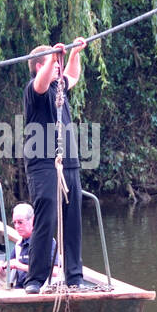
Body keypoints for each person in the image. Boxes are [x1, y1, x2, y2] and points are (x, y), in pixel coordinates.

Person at [22, 36, 93, 293]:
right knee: (47, 217)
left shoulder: (58, 86)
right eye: (54, 65)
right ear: (41, 66)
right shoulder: (35, 89)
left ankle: (74, 277)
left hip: (69, 163)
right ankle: (35, 280)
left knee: (73, 219)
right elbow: (41, 83)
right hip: (43, 165)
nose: (59, 69)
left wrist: (74, 54)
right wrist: (54, 56)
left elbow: (73, 77)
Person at [0, 203, 61, 287]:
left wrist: (19, 266)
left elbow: (56, 272)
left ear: (33, 220)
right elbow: (6, 273)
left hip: (39, 291)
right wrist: (0, 267)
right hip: (20, 290)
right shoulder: (19, 244)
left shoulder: (47, 242)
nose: (16, 226)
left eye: (20, 222)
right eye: (14, 223)